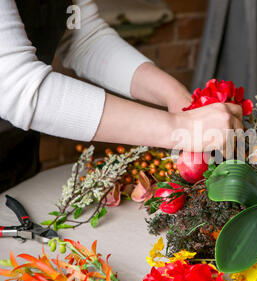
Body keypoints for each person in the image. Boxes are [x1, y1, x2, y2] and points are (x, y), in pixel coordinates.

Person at [0, 0, 243, 193]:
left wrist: (174, 95)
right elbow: (14, 83)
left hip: (17, 152)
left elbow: (84, 38)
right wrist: (180, 127)